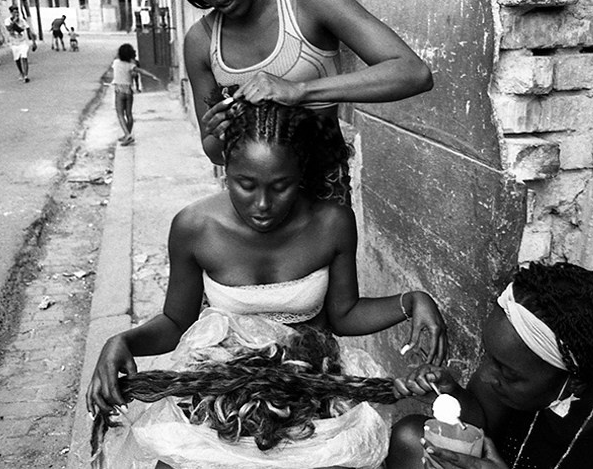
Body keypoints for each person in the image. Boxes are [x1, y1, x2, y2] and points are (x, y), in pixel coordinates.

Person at [86, 99, 447, 468]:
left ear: (301, 173)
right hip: (223, 394)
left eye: (281, 186)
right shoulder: (194, 227)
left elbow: (345, 314)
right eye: (245, 184)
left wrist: (413, 301)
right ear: (225, 168)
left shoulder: (332, 223)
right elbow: (176, 323)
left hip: (310, 390)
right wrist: (123, 341)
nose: (262, 204)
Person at [387, 262, 593, 469]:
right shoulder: (527, 369)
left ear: (576, 379)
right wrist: (452, 400)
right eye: (489, 357)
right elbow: (482, 423)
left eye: (506, 372)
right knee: (411, 437)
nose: (486, 375)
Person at [163, 0, 434, 166]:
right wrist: (220, 132)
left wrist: (300, 90)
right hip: (252, 205)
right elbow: (214, 153)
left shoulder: (311, 2)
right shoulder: (201, 41)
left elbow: (413, 73)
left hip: (323, 200)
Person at [111, 43, 162, 146]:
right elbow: (141, 71)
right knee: (129, 114)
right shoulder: (131, 65)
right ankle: (127, 134)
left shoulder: (116, 63)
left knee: (120, 114)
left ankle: (127, 134)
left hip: (119, 91)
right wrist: (152, 76)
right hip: (129, 92)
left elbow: (118, 58)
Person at [4, 5, 36, 83]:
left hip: (23, 42)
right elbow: (9, 29)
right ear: (11, 13)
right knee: (17, 59)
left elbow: (29, 31)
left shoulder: (22, 21)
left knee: (24, 57)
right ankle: (21, 72)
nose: (16, 14)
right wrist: (14, 22)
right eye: (14, 12)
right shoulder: (7, 21)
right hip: (14, 43)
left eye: (17, 12)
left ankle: (26, 75)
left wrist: (33, 42)